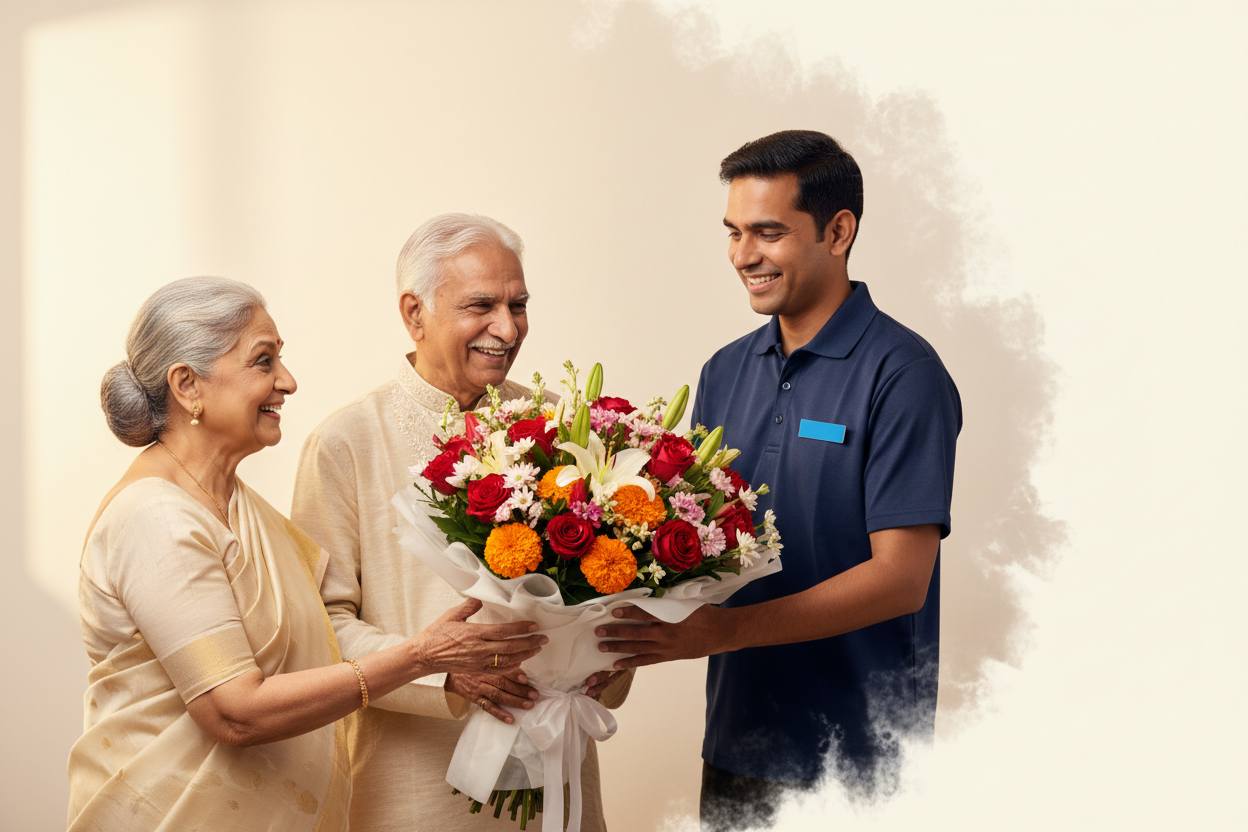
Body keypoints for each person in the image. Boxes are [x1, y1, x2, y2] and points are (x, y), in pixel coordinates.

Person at [69, 277, 545, 832]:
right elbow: (233, 711)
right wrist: (421, 657)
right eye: (263, 362)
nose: (287, 382)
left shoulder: (236, 507)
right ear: (187, 386)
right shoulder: (155, 517)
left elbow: (323, 635)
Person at [596, 131, 962, 828]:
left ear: (838, 231)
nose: (742, 256)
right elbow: (699, 546)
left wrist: (723, 633)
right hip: (739, 740)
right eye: (734, 232)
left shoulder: (904, 374)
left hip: (860, 761)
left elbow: (900, 579)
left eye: (768, 232)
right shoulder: (725, 370)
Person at [292, 213, 632, 832]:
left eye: (519, 305)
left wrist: (611, 649)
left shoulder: (565, 425)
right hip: (415, 791)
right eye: (482, 305)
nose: (507, 328)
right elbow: (320, 631)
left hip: (560, 777)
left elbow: (612, 584)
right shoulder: (346, 442)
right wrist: (443, 669)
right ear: (414, 313)